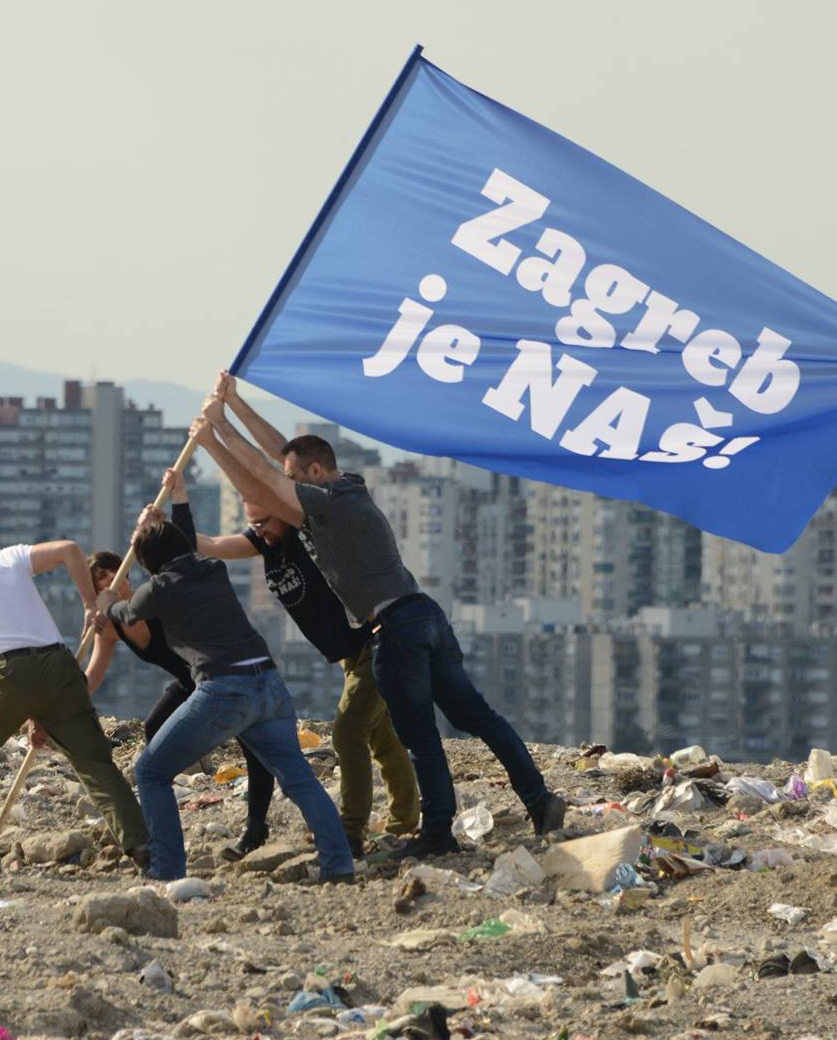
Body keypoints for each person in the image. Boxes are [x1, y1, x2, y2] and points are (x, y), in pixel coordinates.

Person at [190, 374, 567, 859]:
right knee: (480, 718)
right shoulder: (349, 491)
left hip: (396, 631)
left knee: (421, 739)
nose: (289, 491)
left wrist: (214, 439)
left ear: (319, 472)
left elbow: (264, 484)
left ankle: (436, 832)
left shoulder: (329, 508)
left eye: (297, 480)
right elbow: (284, 458)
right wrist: (234, 407)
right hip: (425, 616)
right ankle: (539, 800)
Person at [162, 464, 420, 857]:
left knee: (348, 729)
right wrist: (174, 503)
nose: (259, 529)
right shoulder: (265, 543)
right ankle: (405, 818)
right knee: (380, 736)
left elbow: (286, 482)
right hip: (347, 656)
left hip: (373, 642)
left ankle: (350, 830)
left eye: (264, 521)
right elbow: (207, 545)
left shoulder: (308, 536)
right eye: (253, 523)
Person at [94, 509, 355, 884]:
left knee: (151, 771)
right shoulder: (212, 568)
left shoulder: (159, 588)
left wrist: (105, 604)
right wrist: (159, 521)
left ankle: (165, 870)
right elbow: (181, 544)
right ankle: (339, 866)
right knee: (300, 781)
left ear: (150, 565)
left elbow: (128, 612)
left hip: (225, 689)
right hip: (269, 683)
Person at [0, 535, 149, 873]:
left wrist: (27, 710)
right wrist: (91, 605)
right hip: (61, 666)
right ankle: (144, 849)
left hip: (8, 673)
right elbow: (71, 550)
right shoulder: (6, 558)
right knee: (95, 765)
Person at [82, 542, 274, 860]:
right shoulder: (109, 626)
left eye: (107, 574)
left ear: (123, 571)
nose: (105, 583)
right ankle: (162, 819)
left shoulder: (150, 597)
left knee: (256, 747)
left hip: (222, 671)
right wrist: (57, 706)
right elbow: (93, 676)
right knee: (154, 727)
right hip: (189, 681)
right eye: (96, 582)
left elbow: (145, 623)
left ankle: (255, 829)